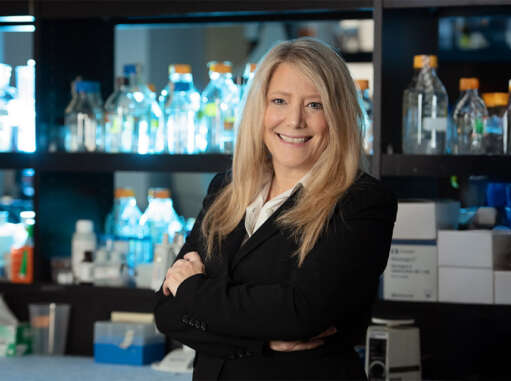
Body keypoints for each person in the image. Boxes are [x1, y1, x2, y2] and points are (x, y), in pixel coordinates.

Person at [153, 37, 397, 380]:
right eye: (279, 101)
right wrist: (264, 338)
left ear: (339, 114)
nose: (294, 120)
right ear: (259, 109)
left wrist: (192, 290)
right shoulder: (226, 190)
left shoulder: (361, 202)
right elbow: (166, 311)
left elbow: (299, 314)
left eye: (315, 105)